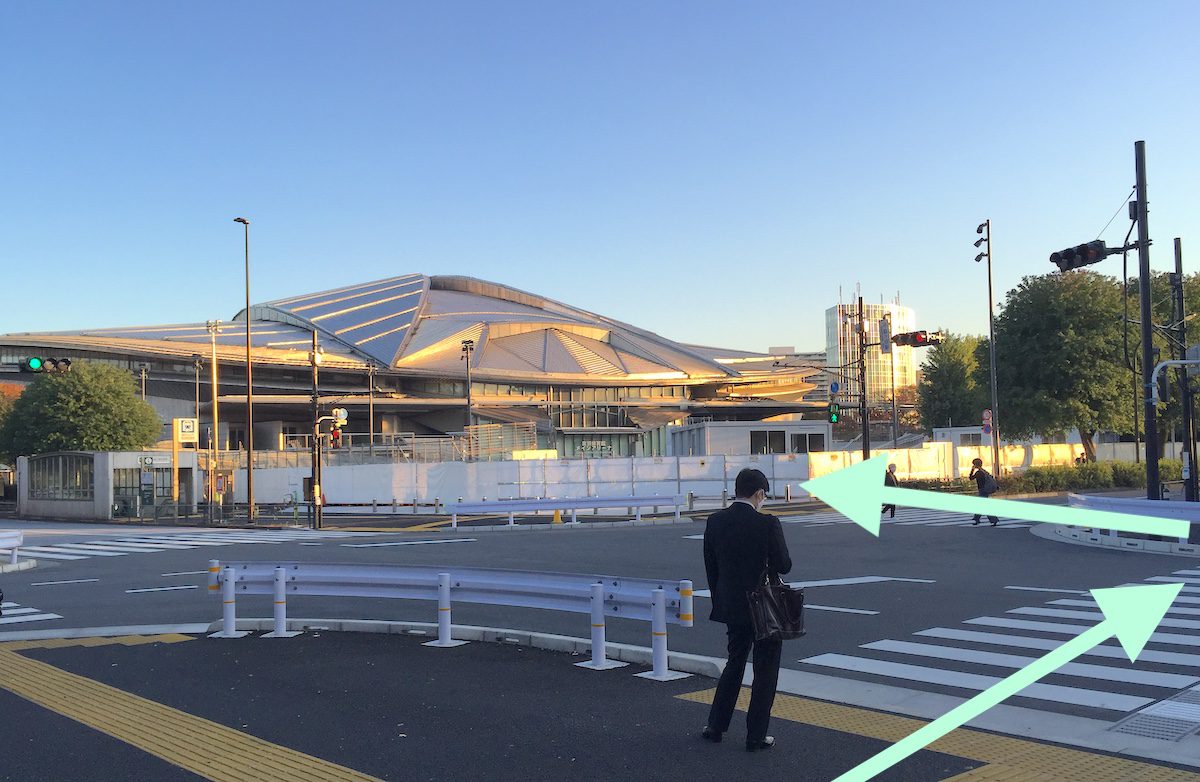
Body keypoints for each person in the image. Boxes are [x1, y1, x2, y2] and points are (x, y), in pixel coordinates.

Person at [701, 468, 793, 752]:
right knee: (765, 670)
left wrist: (721, 600)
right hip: (765, 606)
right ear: (759, 493)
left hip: (733, 606)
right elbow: (784, 565)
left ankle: (716, 726)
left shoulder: (715, 521)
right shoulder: (767, 524)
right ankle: (756, 736)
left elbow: (711, 567)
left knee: (735, 662)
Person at [968, 457, 1000, 526]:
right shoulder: (984, 471)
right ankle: (976, 518)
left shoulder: (979, 473)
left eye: (974, 464)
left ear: (975, 465)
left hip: (983, 490)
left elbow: (970, 478)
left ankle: (993, 519)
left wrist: (972, 470)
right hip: (985, 490)